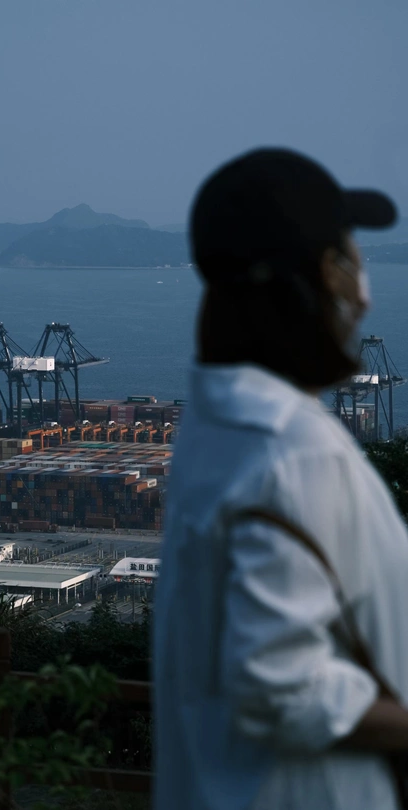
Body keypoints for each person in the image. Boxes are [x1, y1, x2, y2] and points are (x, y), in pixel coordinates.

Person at [153, 148, 408, 810]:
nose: (364, 295)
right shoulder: (296, 455)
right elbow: (279, 689)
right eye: (347, 263)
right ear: (310, 284)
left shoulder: (211, 432)